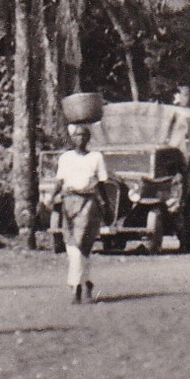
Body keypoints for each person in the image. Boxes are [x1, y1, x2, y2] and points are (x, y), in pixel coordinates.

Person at [46, 122, 111, 304]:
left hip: (88, 203)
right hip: (69, 202)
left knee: (80, 243)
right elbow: (60, 181)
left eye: (84, 135)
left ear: (88, 138)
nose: (80, 139)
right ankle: (86, 280)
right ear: (72, 138)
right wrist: (52, 197)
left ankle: (76, 286)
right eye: (77, 136)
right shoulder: (65, 158)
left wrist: (105, 204)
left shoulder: (96, 157)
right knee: (73, 245)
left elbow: (101, 183)